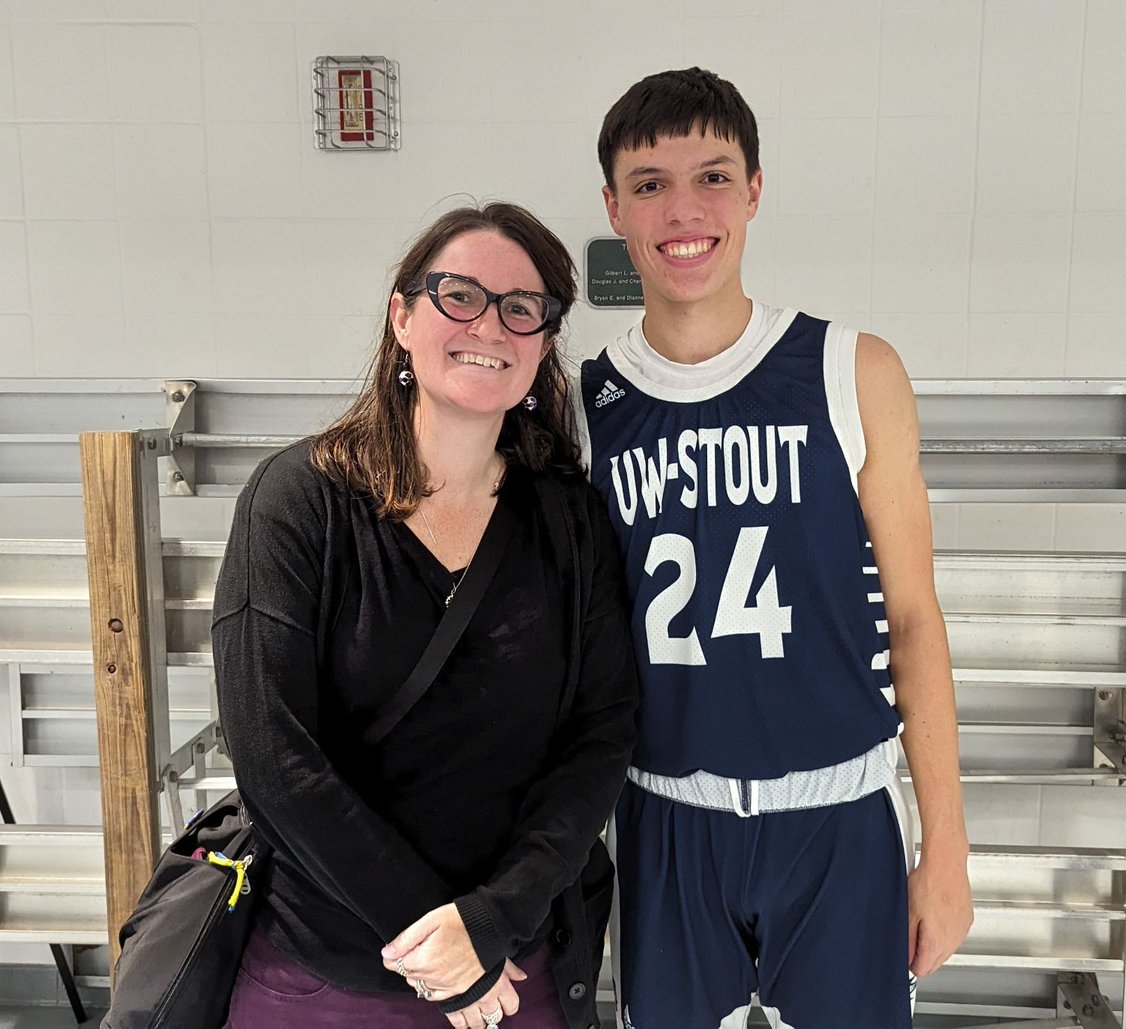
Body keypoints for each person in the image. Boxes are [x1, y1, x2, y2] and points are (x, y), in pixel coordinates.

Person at [578, 68, 974, 1028]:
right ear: (615, 209)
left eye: (713, 177)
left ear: (755, 189)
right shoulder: (583, 403)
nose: (684, 210)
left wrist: (948, 851)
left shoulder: (852, 370)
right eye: (650, 184)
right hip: (666, 818)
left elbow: (916, 619)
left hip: (839, 819)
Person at [212, 201, 638, 1029]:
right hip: (326, 978)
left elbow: (602, 731)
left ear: (544, 344)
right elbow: (274, 755)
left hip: (515, 969)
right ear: (403, 316)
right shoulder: (298, 502)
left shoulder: (569, 521)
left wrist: (489, 923)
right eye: (459, 294)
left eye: (523, 308)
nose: (491, 323)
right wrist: (438, 946)